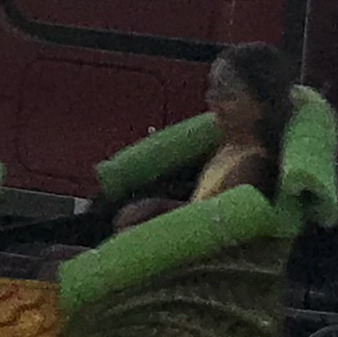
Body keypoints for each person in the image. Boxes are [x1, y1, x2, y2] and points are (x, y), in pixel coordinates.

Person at [112, 40, 300, 234]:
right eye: (213, 90)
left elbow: (211, 231)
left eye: (228, 96)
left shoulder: (250, 168)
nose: (213, 101)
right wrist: (158, 206)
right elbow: (200, 210)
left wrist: (141, 232)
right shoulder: (230, 147)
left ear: (262, 106)